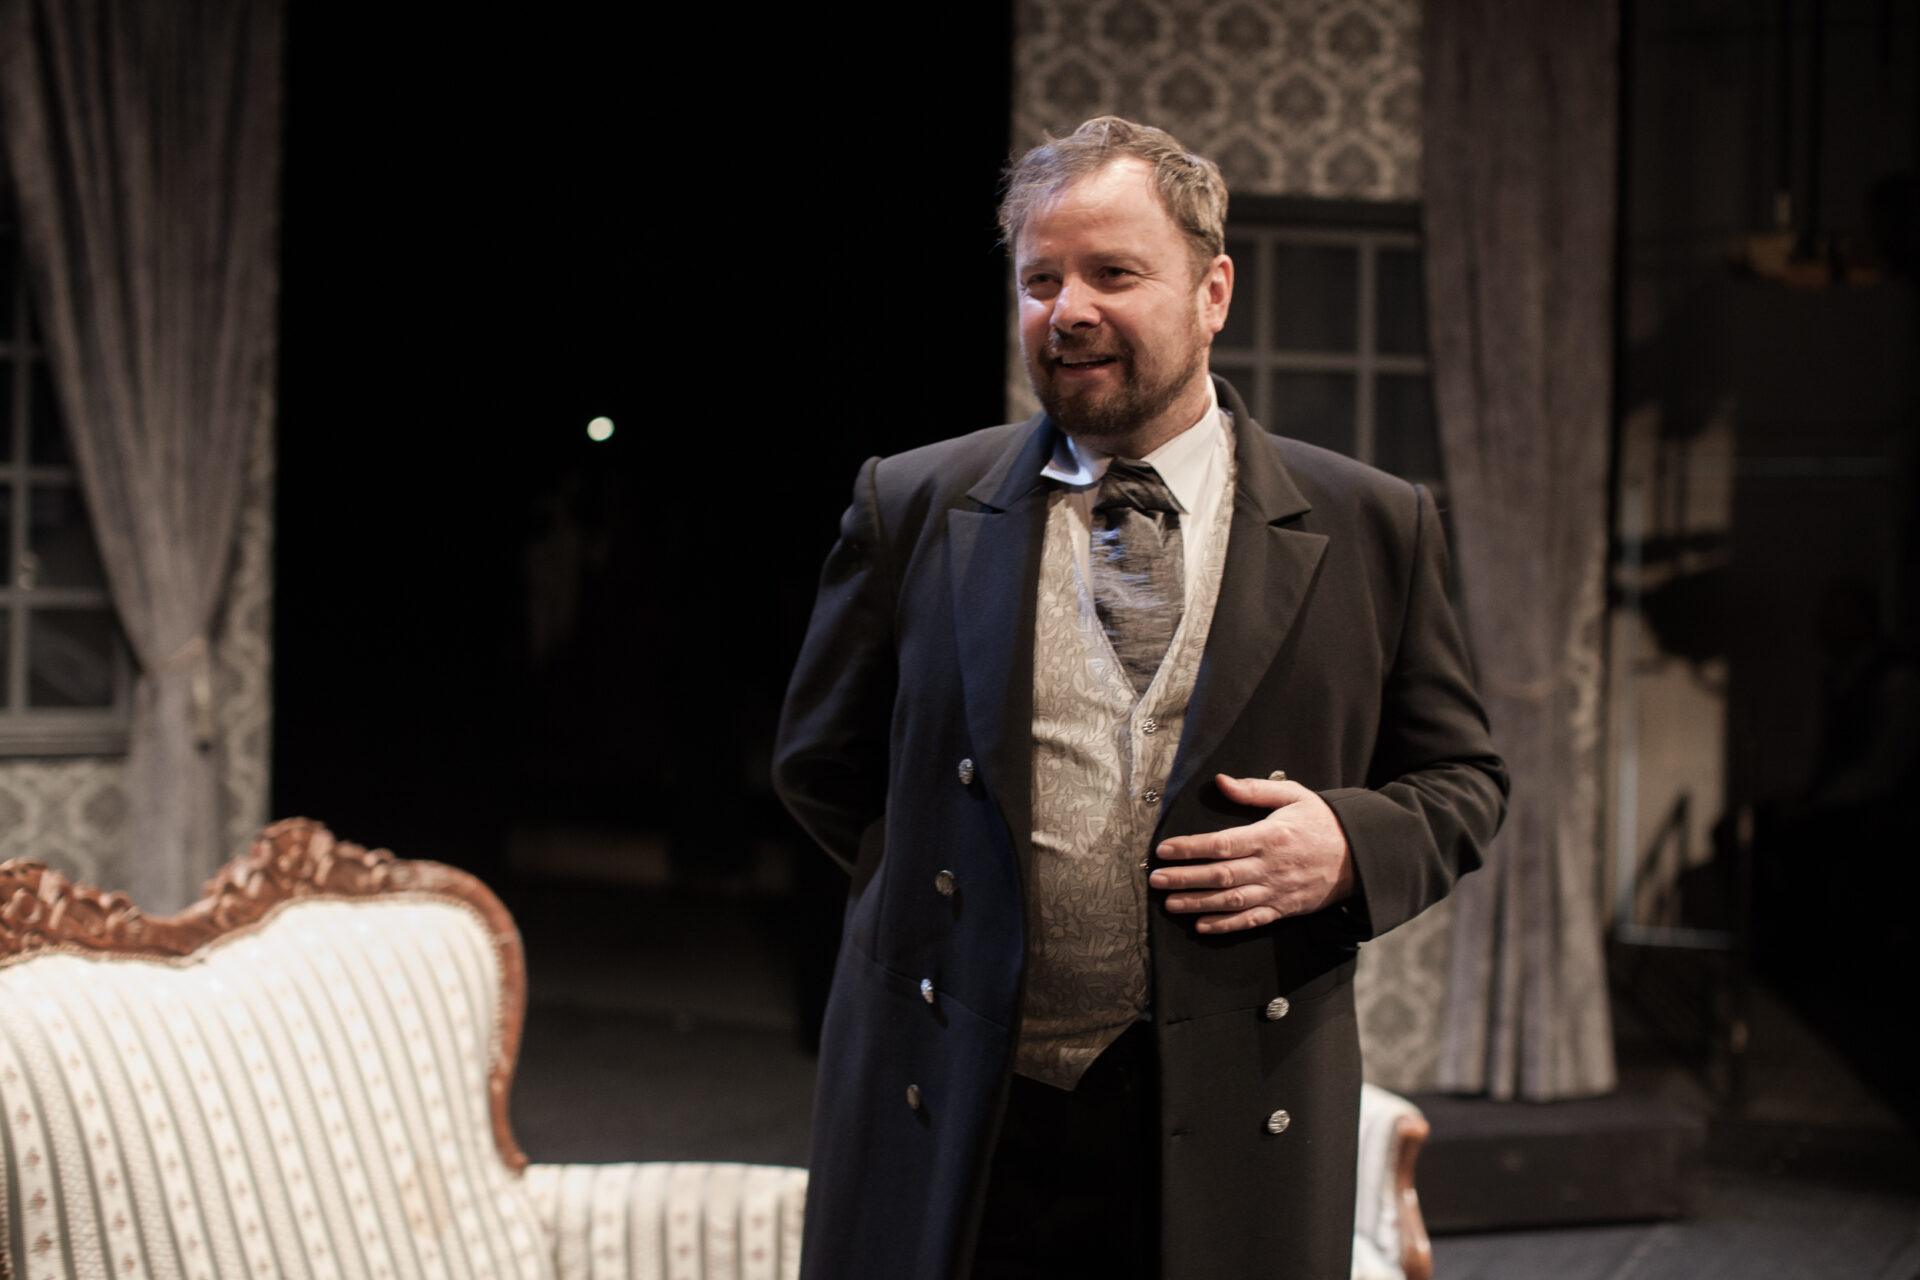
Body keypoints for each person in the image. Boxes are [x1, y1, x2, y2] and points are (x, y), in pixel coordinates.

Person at [773, 116, 1508, 1280]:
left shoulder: (1372, 522)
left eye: (1113, 273)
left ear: (1214, 292)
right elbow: (824, 764)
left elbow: (1465, 779)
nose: (1069, 309)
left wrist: (1347, 845)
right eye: (1041, 280)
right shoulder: (911, 503)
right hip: (962, 1099)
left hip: (1229, 1107)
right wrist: (954, 896)